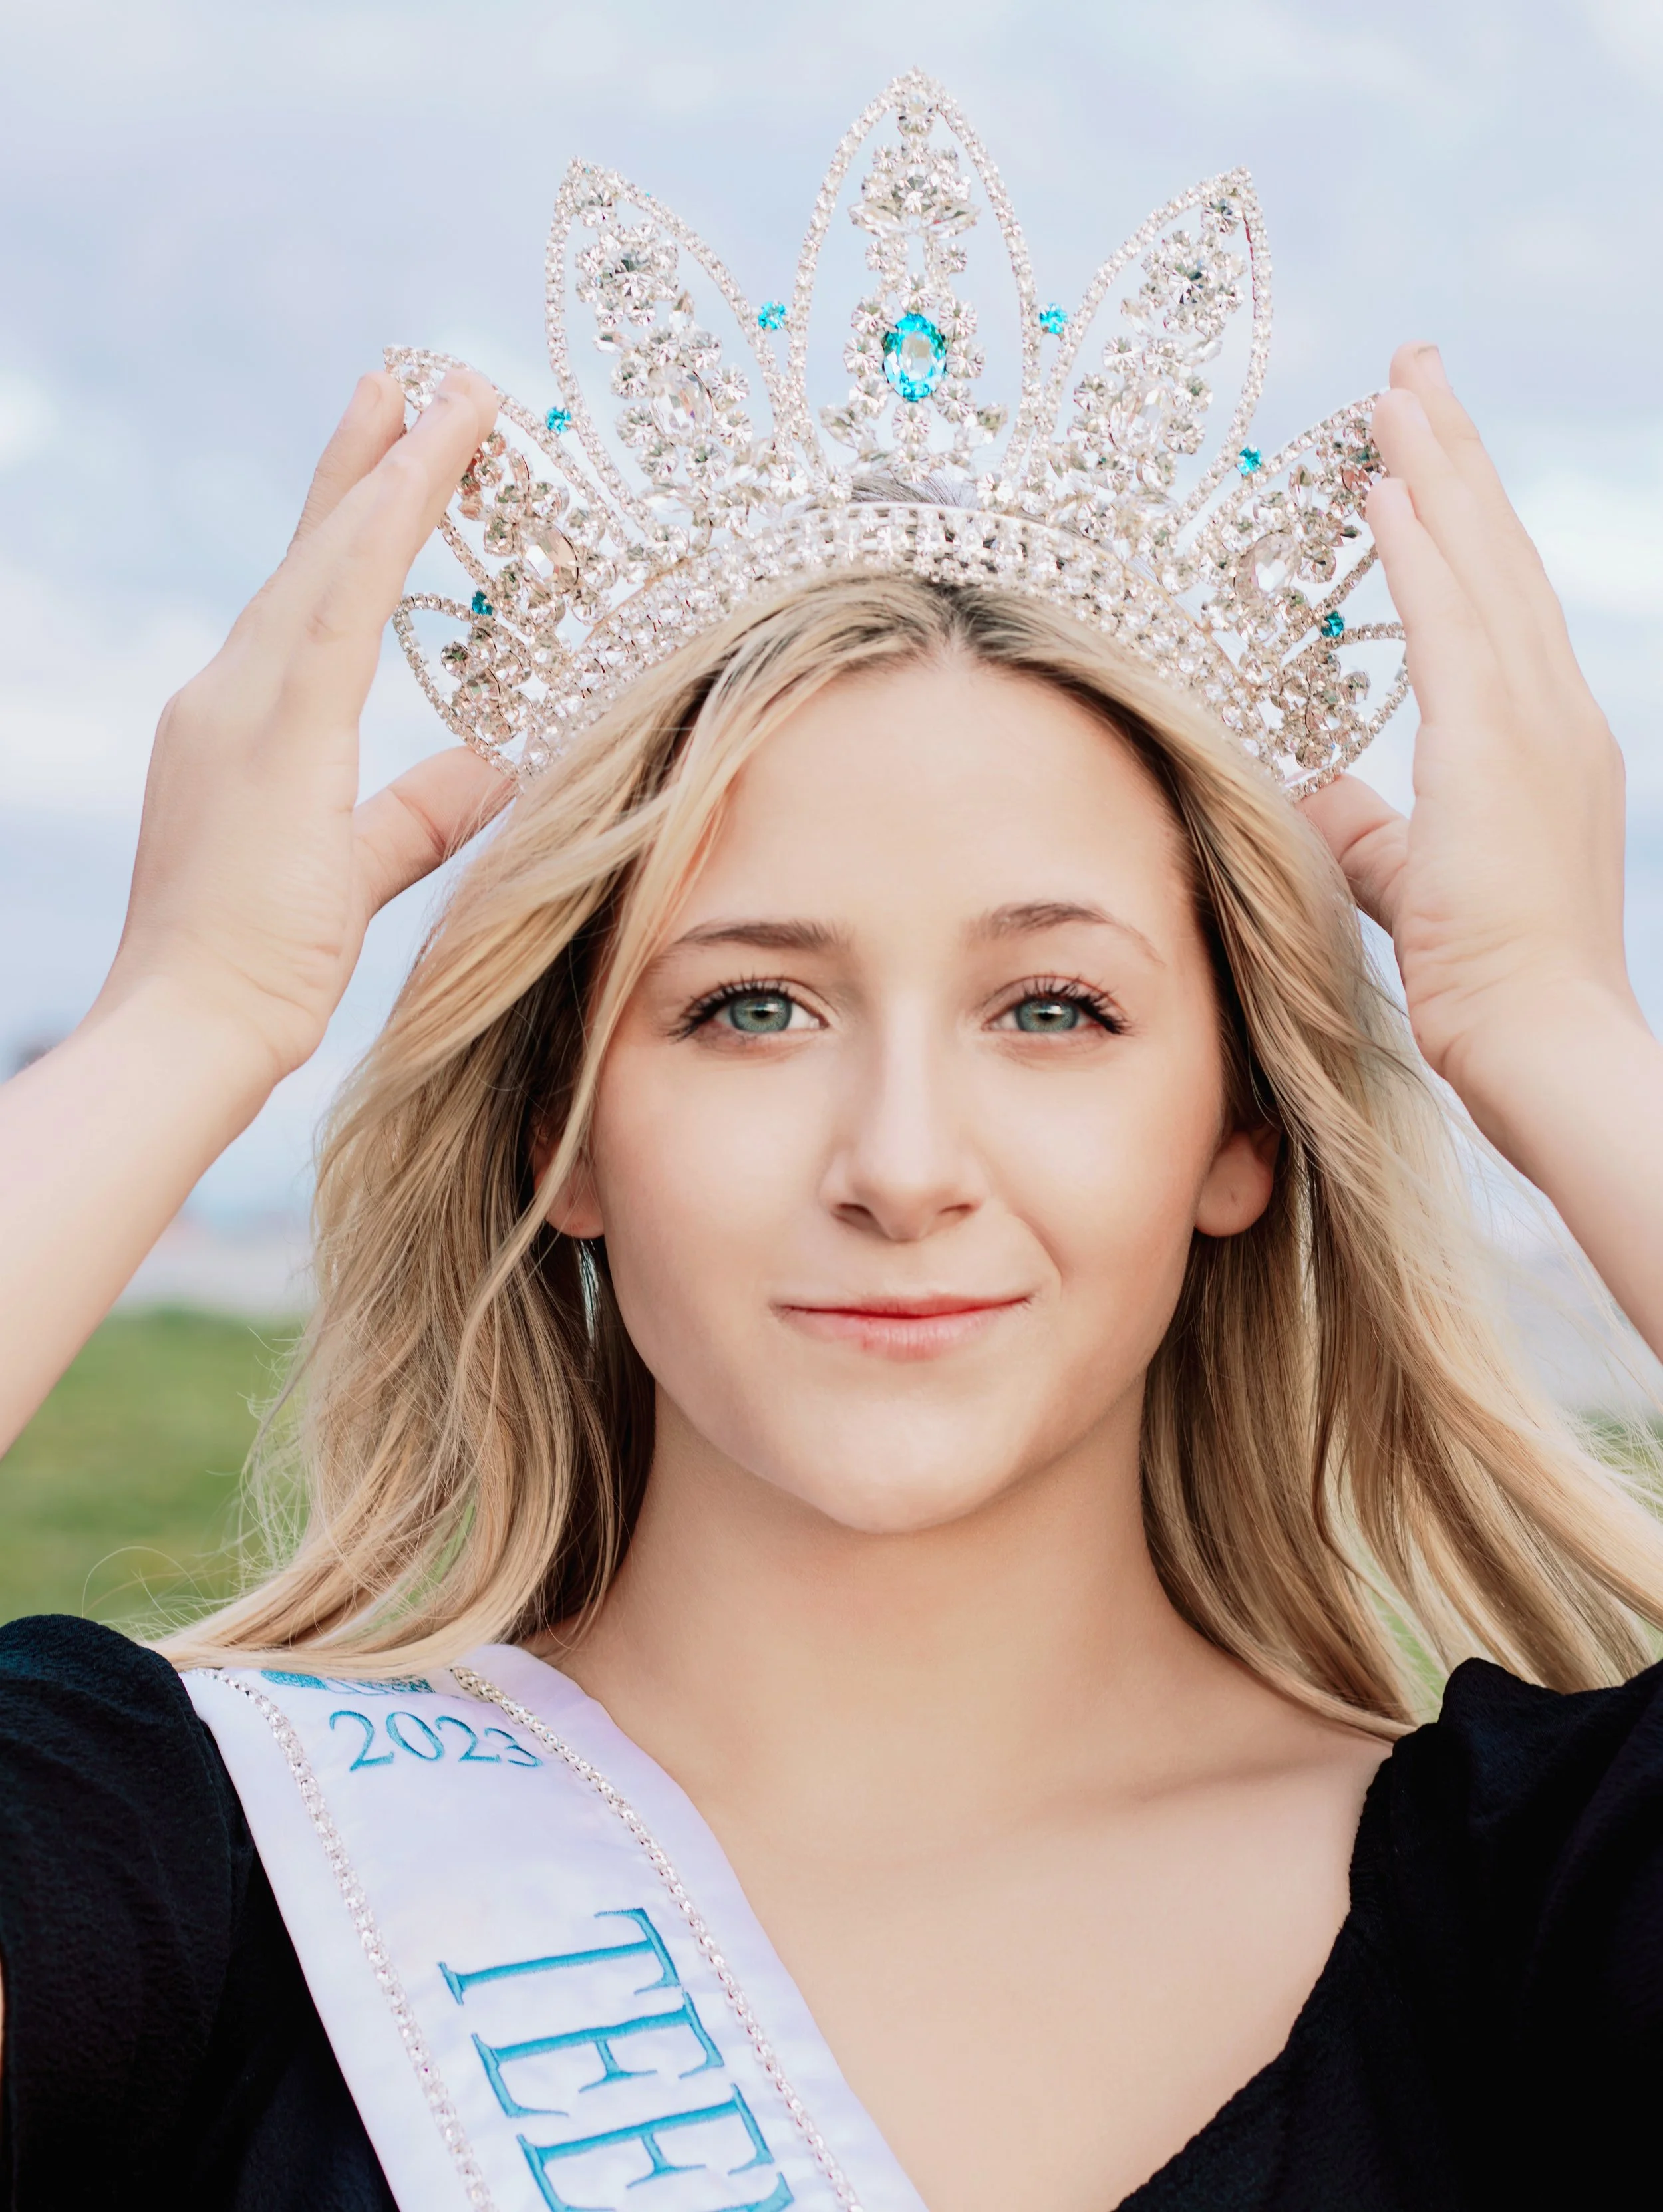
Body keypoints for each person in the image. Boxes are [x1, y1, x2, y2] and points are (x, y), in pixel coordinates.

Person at [1, 261, 1662, 2212]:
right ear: (568, 1132)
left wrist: (1556, 1026)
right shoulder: (201, 1874)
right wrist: (187, 1013)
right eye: (748, 1007)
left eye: (1053, 1008)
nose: (899, 1162)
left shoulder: (1549, 1904)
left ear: (1239, 1126)